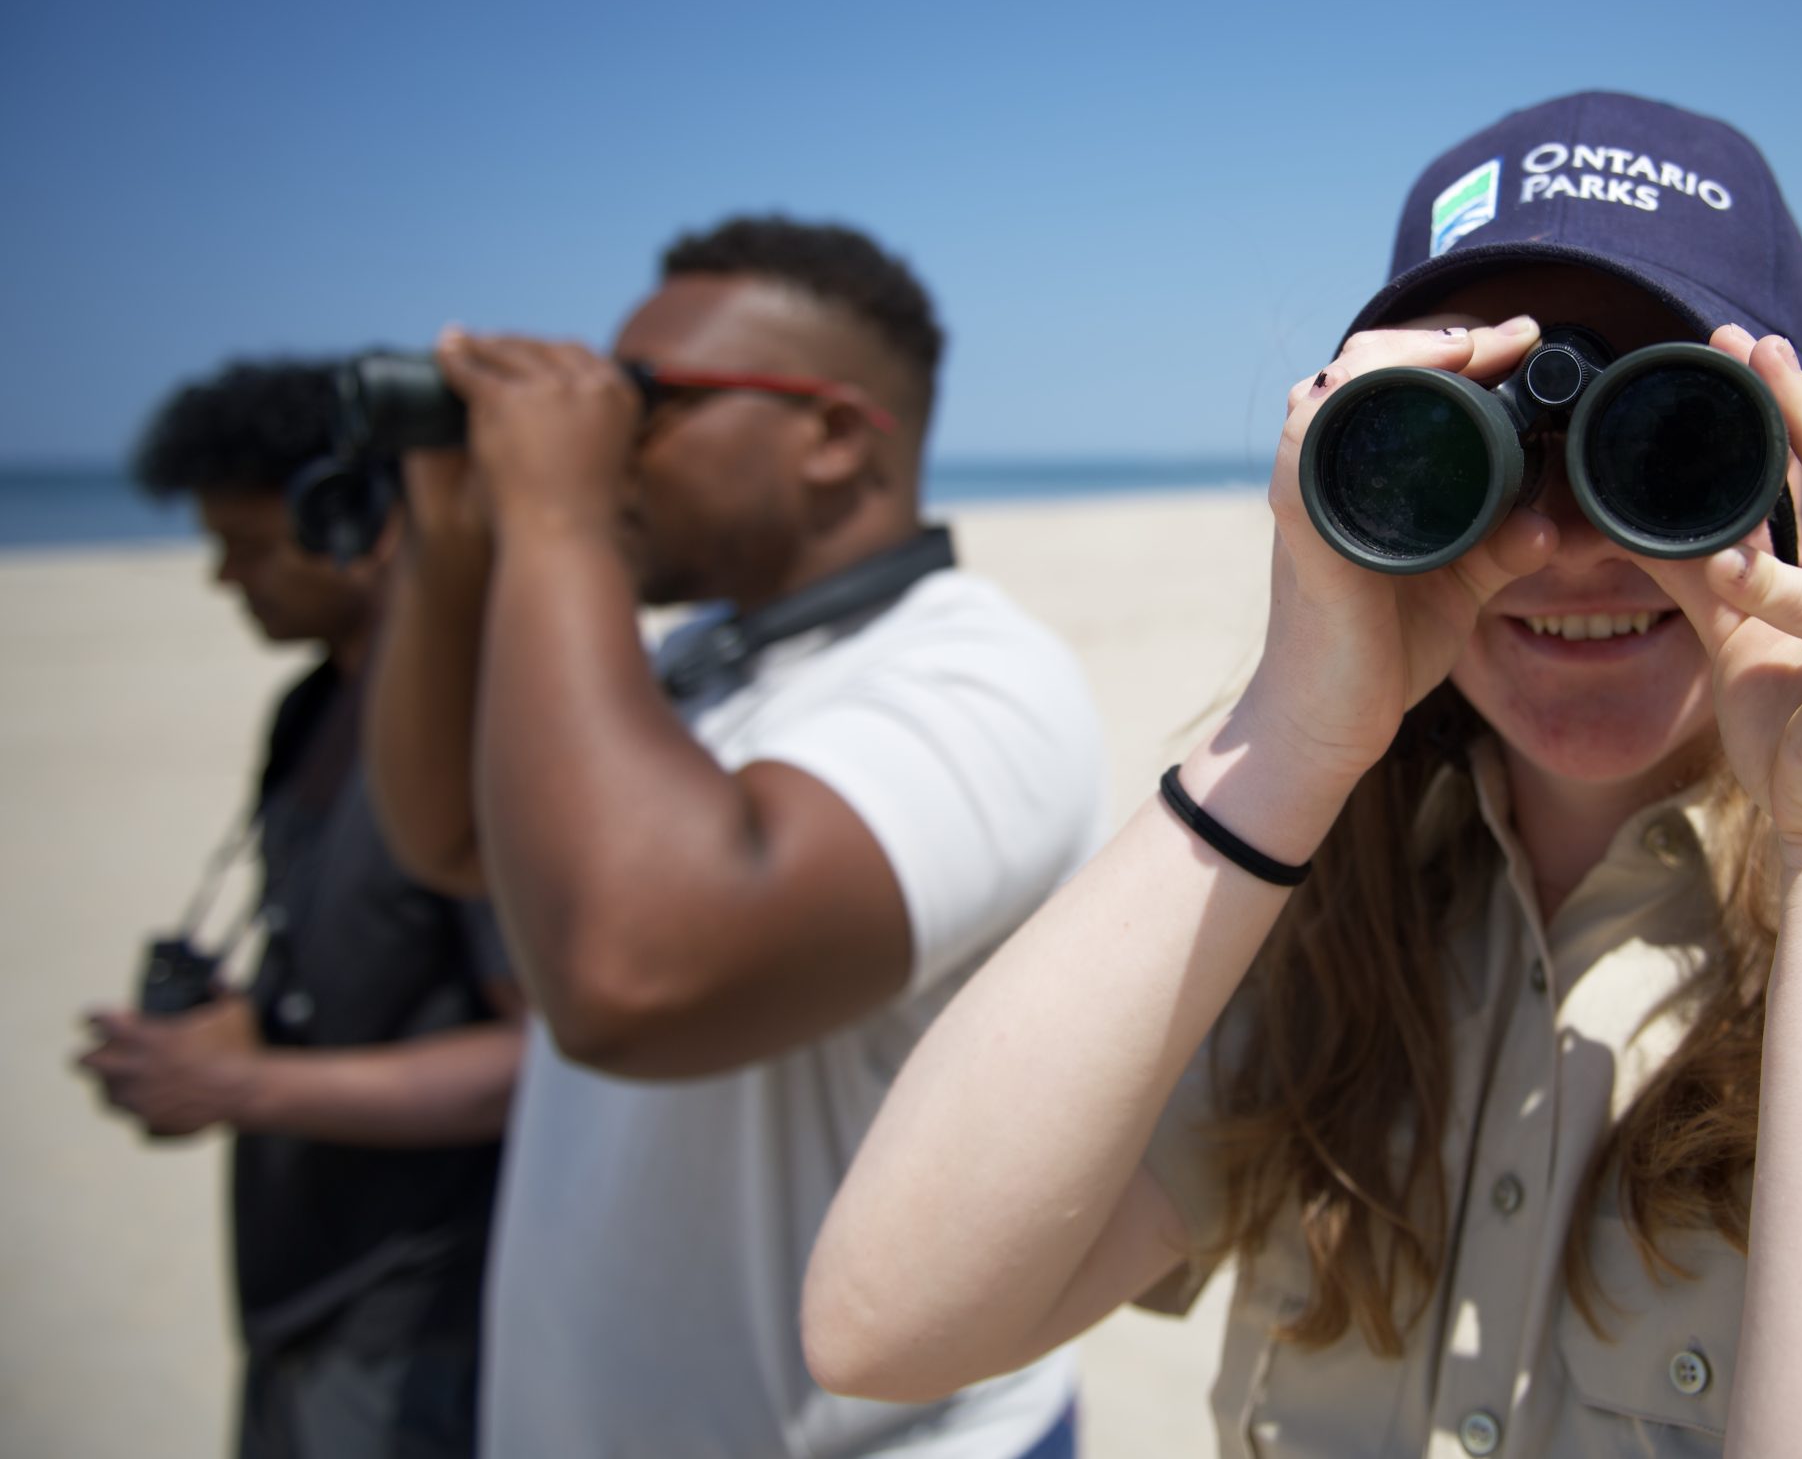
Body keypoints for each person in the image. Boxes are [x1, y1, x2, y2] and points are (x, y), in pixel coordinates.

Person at [798, 93, 1802, 1455]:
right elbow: (887, 1321)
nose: (1569, 539)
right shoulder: (1328, 955)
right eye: (1483, 443)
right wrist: (1291, 737)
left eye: (1672, 439)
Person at [365, 215, 1105, 1459]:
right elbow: (448, 837)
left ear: (829, 435)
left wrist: (560, 517)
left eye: (642, 400)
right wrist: (453, 540)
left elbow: (632, 975)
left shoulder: (979, 677)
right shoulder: (692, 669)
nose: (607, 438)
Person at [78, 359, 524, 1459]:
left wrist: (246, 1082)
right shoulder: (313, 705)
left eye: (248, 544)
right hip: (301, 1289)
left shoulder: (478, 728)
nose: (225, 580)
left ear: (364, 520)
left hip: (422, 1312)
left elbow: (543, 1055)